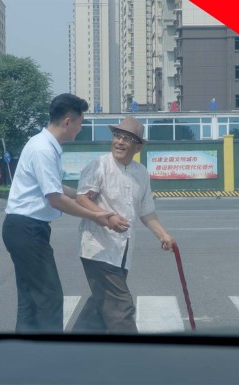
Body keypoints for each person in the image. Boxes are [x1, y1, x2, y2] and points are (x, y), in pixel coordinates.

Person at [2, 93, 116, 333]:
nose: (80, 129)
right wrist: (95, 215)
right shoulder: (44, 149)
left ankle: (27, 357)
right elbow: (55, 199)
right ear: (67, 121)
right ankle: (52, 357)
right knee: (50, 297)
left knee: (30, 299)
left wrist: (79, 194)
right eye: (80, 123)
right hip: (27, 229)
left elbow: (53, 187)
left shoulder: (42, 144)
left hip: (22, 228)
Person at [73, 116, 175, 334]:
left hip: (122, 251)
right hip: (98, 249)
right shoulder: (99, 165)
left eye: (127, 138)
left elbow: (146, 211)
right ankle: (134, 360)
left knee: (100, 306)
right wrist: (107, 217)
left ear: (137, 147)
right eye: (117, 136)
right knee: (120, 307)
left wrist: (163, 235)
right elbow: (82, 198)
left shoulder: (141, 173)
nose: (119, 142)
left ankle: (75, 353)